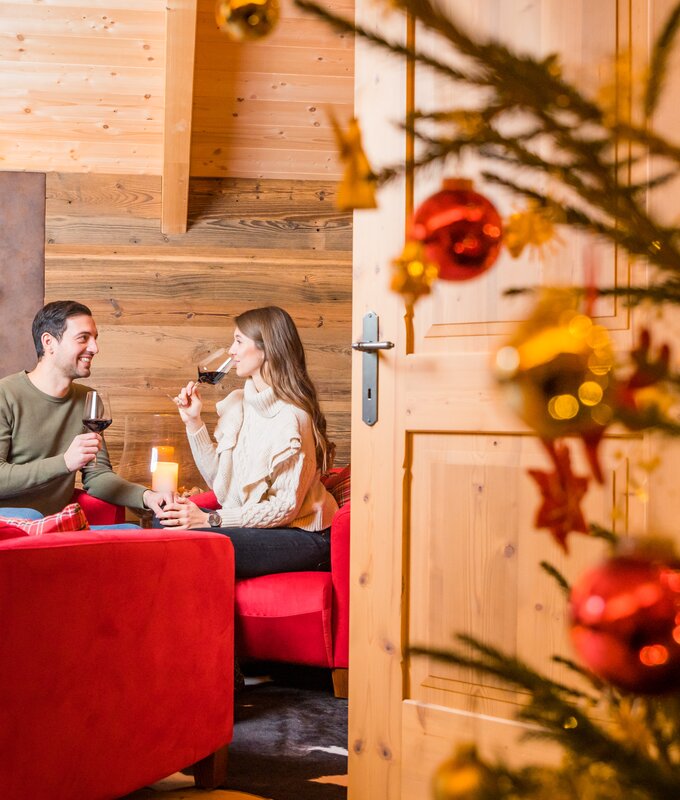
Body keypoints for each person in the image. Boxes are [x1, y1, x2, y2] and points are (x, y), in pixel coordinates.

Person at [157, 306, 338, 578]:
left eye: (239, 341)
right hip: (258, 526)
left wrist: (211, 520)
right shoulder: (239, 404)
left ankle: (202, 620)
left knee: (200, 544)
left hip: (301, 534)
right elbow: (221, 483)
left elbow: (285, 509)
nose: (231, 350)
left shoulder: (292, 418)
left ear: (267, 350)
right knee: (169, 521)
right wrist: (193, 423)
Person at [0, 300, 170, 518]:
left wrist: (146, 496)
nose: (94, 348)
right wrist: (64, 462)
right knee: (32, 517)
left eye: (95, 339)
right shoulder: (5, 395)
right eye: (83, 338)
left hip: (54, 525)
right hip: (8, 526)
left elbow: (97, 474)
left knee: (129, 533)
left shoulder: (88, 400)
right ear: (48, 342)